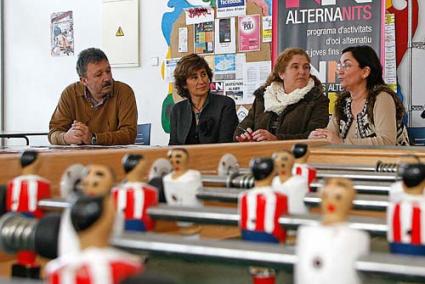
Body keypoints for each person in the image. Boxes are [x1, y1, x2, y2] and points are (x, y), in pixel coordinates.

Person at [309, 45, 410, 145]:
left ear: (365, 72)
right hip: (351, 161)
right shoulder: (343, 102)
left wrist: (342, 143)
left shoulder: (382, 97)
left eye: (347, 65)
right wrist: (318, 137)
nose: (339, 71)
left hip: (390, 161)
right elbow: (330, 136)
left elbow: (387, 141)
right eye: (340, 66)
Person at [234, 48, 329, 142]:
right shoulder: (263, 97)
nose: (302, 72)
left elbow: (316, 137)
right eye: (295, 67)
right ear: (281, 73)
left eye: (306, 67)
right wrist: (245, 135)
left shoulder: (317, 100)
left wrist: (277, 139)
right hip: (260, 154)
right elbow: (240, 129)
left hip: (297, 155)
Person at [49, 48, 138, 145]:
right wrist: (66, 137)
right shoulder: (70, 94)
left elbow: (129, 134)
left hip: (113, 157)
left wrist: (94, 139)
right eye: (99, 75)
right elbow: (53, 133)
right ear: (84, 81)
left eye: (108, 71)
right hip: (79, 157)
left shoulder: (124, 92)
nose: (107, 78)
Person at [296, 178, 370, 284]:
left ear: (351, 202)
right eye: (326, 196)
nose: (331, 202)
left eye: (338, 197)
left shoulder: (357, 237)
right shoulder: (306, 232)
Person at [169, 53, 238, 145]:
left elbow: (225, 145)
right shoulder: (177, 110)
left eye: (203, 74)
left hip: (216, 158)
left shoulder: (225, 104)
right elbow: (173, 146)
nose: (201, 81)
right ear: (184, 84)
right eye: (194, 77)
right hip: (186, 159)